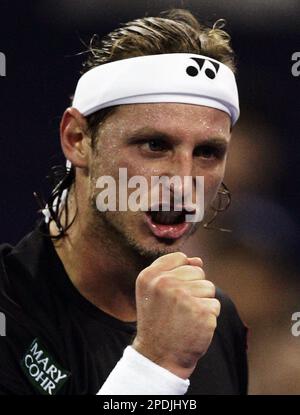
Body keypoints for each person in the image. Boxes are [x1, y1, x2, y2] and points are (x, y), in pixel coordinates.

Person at [0, 9, 248, 395]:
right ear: (78, 139)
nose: (184, 183)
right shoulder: (9, 314)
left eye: (208, 152)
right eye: (155, 145)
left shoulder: (217, 320)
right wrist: (156, 366)